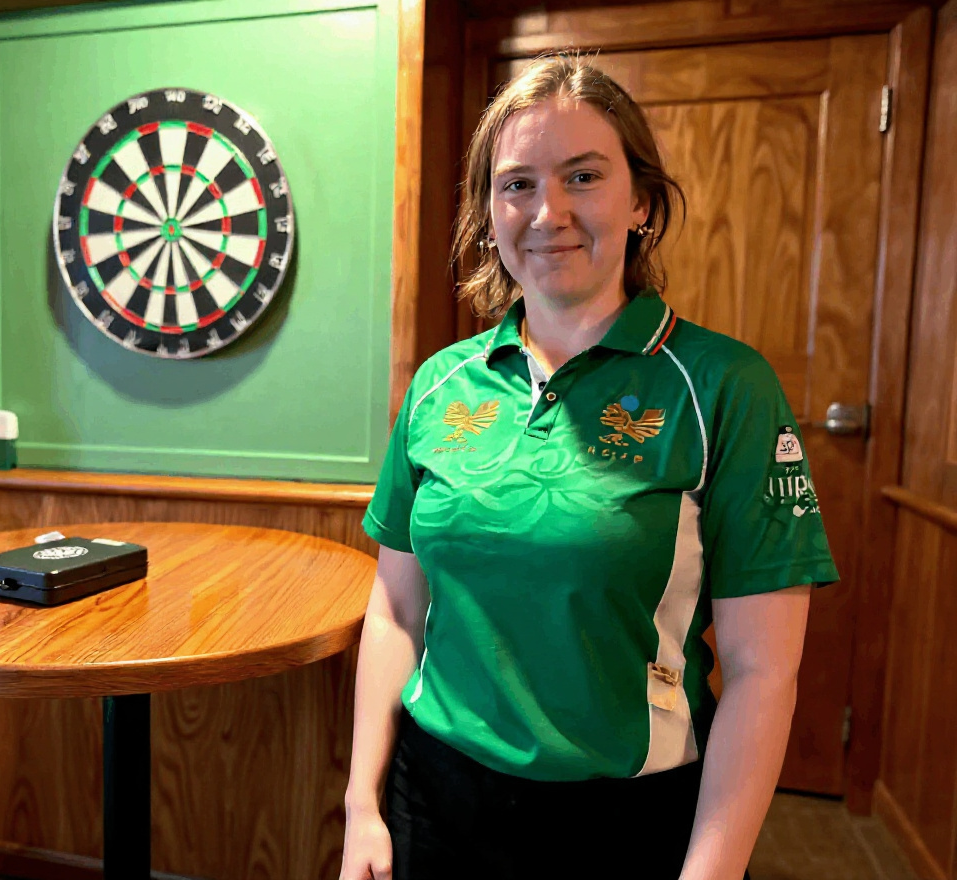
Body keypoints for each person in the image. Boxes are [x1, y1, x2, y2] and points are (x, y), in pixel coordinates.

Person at [339, 53, 838, 880]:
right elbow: (395, 608)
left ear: (640, 201)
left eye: (582, 176)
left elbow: (761, 671)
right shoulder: (440, 384)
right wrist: (361, 805)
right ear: (488, 210)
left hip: (629, 818)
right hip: (435, 800)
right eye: (517, 184)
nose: (548, 211)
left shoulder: (724, 386)